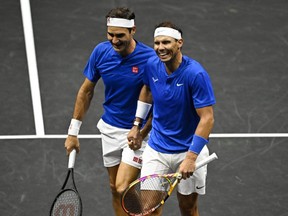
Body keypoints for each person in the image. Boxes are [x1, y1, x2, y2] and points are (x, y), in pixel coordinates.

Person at [64, 7, 155, 216]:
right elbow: (86, 91)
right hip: (110, 129)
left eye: (120, 35)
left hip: (139, 133)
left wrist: (143, 131)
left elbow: (159, 100)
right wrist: (73, 132)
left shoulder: (150, 59)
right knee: (115, 189)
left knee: (124, 186)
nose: (114, 40)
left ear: (133, 31)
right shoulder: (101, 52)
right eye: (110, 35)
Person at [127, 21, 216, 216]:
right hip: (156, 150)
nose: (160, 48)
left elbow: (207, 119)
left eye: (166, 42)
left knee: (188, 208)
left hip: (188, 150)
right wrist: (137, 126)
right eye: (157, 43)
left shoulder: (196, 74)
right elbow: (147, 90)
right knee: (149, 210)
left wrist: (191, 158)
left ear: (179, 43)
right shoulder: (151, 65)